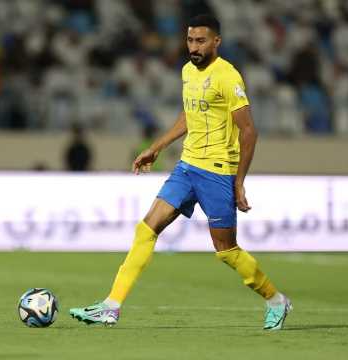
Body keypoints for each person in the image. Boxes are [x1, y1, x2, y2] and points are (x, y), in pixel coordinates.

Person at [69, 14, 292, 330]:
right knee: (146, 229)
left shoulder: (228, 77)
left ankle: (276, 300)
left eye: (201, 41)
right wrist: (156, 147)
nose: (194, 47)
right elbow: (189, 116)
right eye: (190, 40)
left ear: (216, 42)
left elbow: (249, 131)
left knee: (227, 251)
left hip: (218, 172)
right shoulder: (188, 72)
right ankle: (111, 306)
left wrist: (239, 182)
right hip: (187, 167)